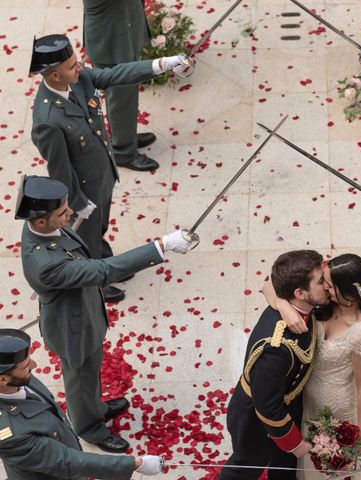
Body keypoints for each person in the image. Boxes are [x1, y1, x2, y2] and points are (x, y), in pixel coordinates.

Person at [15, 175, 195, 453]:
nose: (70, 213)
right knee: (80, 379)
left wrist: (73, 221)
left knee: (90, 371)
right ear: (41, 220)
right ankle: (89, 427)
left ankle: (95, 407)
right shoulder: (43, 264)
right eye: (63, 212)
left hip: (83, 316)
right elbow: (102, 271)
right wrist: (161, 246)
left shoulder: (45, 230)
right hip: (71, 330)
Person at [29, 34, 186, 302]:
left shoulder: (78, 80)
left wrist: (160, 64)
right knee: (86, 239)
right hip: (84, 191)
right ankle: (97, 283)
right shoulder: (48, 119)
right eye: (71, 66)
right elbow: (59, 167)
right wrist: (77, 202)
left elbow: (114, 75)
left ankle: (105, 259)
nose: (79, 67)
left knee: (99, 227)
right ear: (54, 76)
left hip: (102, 174)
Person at [264, 253, 361, 480]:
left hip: (336, 407)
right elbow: (269, 285)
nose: (323, 287)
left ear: (347, 291)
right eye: (323, 281)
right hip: (307, 399)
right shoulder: (323, 304)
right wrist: (284, 307)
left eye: (328, 284)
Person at [221, 250, 330, 480]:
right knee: (245, 467)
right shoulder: (277, 348)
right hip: (257, 422)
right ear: (299, 293)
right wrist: (294, 443)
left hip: (288, 403)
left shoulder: (298, 305)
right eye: (321, 282)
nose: (327, 285)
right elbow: (268, 408)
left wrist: (283, 305)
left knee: (284, 469)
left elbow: (270, 284)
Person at [0, 328, 164, 479]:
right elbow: (65, 460)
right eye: (26, 366)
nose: (34, 365)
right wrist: (135, 464)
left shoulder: (13, 379)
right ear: (3, 379)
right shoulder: (11, 434)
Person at [83, 0, 159, 172]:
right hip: (111, 37)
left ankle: (126, 138)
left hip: (122, 25)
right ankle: (123, 152)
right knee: (121, 97)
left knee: (127, 94)